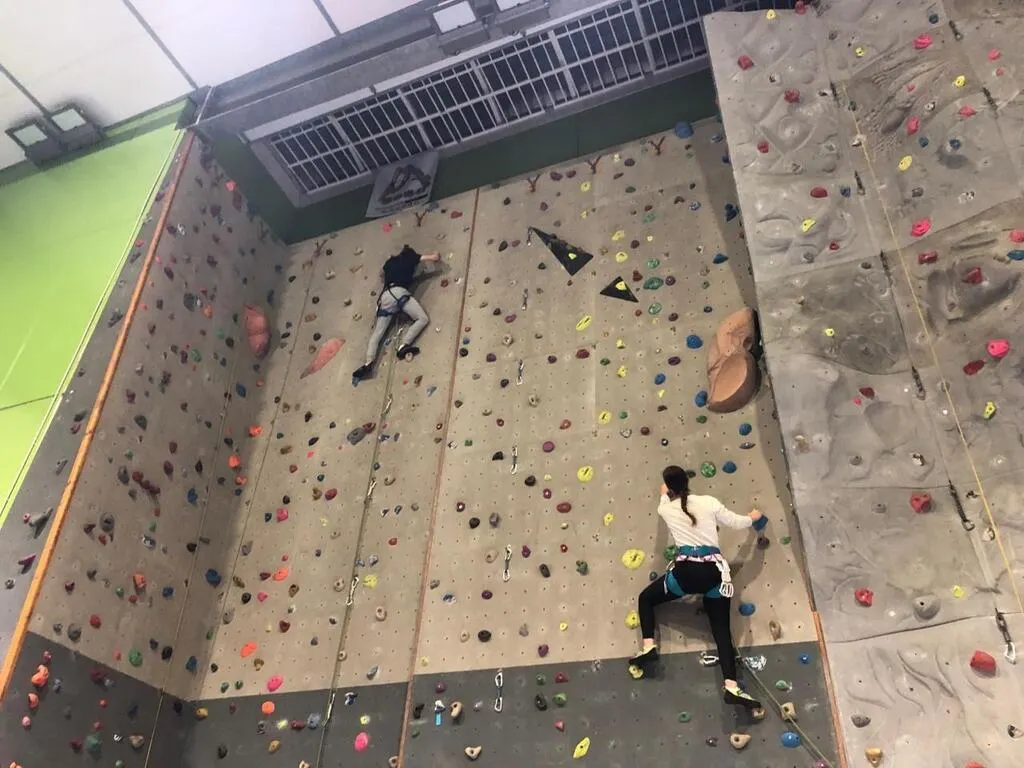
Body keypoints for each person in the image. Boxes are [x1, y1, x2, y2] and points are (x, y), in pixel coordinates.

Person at [629, 465, 764, 709]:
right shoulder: (708, 502)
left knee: (646, 598)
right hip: (714, 575)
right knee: (721, 631)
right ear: (687, 482)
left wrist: (665, 493)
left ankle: (648, 646)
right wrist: (753, 517)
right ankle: (731, 686)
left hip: (685, 575)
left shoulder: (665, 508)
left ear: (670, 489)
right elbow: (736, 522)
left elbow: (664, 496)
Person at [353, 245, 440, 380]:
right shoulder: (411, 256)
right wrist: (435, 254)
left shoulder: (389, 262)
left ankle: (368, 363)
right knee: (422, 319)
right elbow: (433, 258)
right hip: (399, 293)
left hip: (385, 297)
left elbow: (382, 274)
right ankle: (404, 345)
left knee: (377, 333)